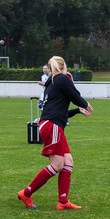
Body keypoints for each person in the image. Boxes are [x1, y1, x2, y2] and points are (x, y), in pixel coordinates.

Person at [17, 55, 93, 210]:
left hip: (50, 124)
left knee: (68, 161)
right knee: (57, 165)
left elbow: (59, 110)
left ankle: (63, 201)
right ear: (63, 65)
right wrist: (86, 105)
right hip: (52, 125)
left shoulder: (51, 82)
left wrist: (77, 110)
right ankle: (26, 192)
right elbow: (75, 96)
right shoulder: (62, 78)